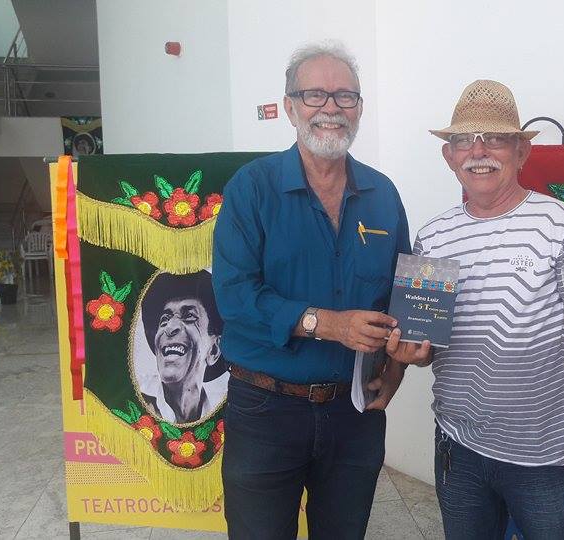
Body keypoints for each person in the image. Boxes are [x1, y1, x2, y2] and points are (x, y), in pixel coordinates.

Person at [386, 80, 564, 540]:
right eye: (464, 140)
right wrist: (413, 354)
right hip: (458, 446)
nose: (478, 151)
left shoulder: (563, 227)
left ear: (522, 152)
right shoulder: (432, 237)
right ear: (449, 156)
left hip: (545, 458)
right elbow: (426, 343)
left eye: (496, 139)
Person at [211, 42, 416, 539]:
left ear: (360, 108)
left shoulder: (383, 195)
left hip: (354, 413)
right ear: (290, 107)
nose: (331, 107)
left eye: (345, 96)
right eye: (315, 95)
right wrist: (328, 324)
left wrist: (397, 369)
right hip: (266, 410)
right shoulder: (251, 188)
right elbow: (234, 296)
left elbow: (404, 299)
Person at [137, 270, 227, 423]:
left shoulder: (228, 411)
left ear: (213, 351)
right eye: (164, 319)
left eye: (189, 316)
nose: (170, 327)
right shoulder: (135, 394)